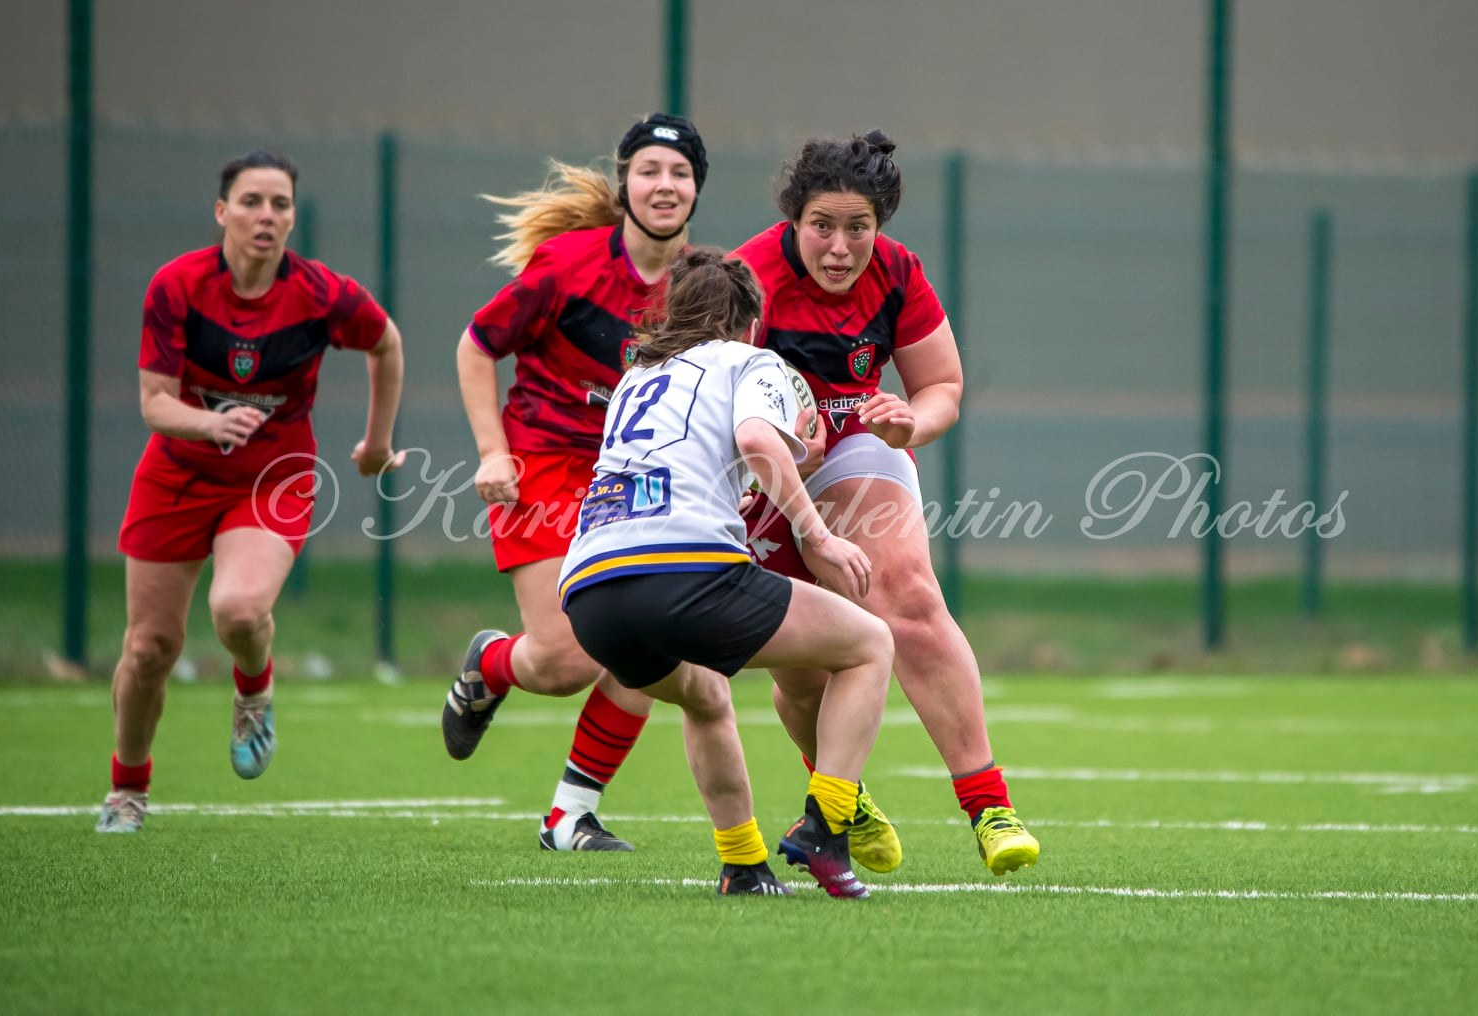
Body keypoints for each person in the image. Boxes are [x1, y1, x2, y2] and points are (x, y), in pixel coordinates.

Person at [733, 131, 1040, 875]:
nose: (839, 247)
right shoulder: (749, 275)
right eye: (822, 227)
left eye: (857, 229)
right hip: (759, 465)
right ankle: (838, 796)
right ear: (793, 221)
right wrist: (779, 451)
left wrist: (911, 421)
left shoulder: (898, 274)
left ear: (881, 225)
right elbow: (719, 396)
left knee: (906, 593)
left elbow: (942, 389)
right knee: (803, 667)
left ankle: (988, 805)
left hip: (855, 444)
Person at [560, 248, 894, 897]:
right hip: (680, 572)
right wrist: (816, 534)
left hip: (589, 593)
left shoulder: (634, 379)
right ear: (748, 322)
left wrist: (737, 495)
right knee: (868, 645)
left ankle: (742, 865)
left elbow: (677, 464)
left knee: (704, 695)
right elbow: (757, 441)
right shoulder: (749, 358)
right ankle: (824, 830)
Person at [97, 149, 405, 833]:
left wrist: (376, 442)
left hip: (273, 476)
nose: (266, 216)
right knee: (149, 648)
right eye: (251, 202)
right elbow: (154, 402)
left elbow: (385, 343)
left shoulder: (323, 293)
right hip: (176, 473)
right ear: (221, 212)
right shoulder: (177, 286)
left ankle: (254, 686)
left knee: (237, 610)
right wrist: (210, 421)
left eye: (280, 205)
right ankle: (127, 790)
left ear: (293, 218)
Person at [440, 114, 707, 852]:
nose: (664, 185)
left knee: (652, 638)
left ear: (697, 190)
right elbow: (476, 346)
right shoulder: (566, 265)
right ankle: (492, 664)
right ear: (625, 182)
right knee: (561, 662)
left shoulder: (704, 286)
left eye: (679, 173)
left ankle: (568, 816)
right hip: (546, 462)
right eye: (649, 170)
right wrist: (492, 452)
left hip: (636, 478)